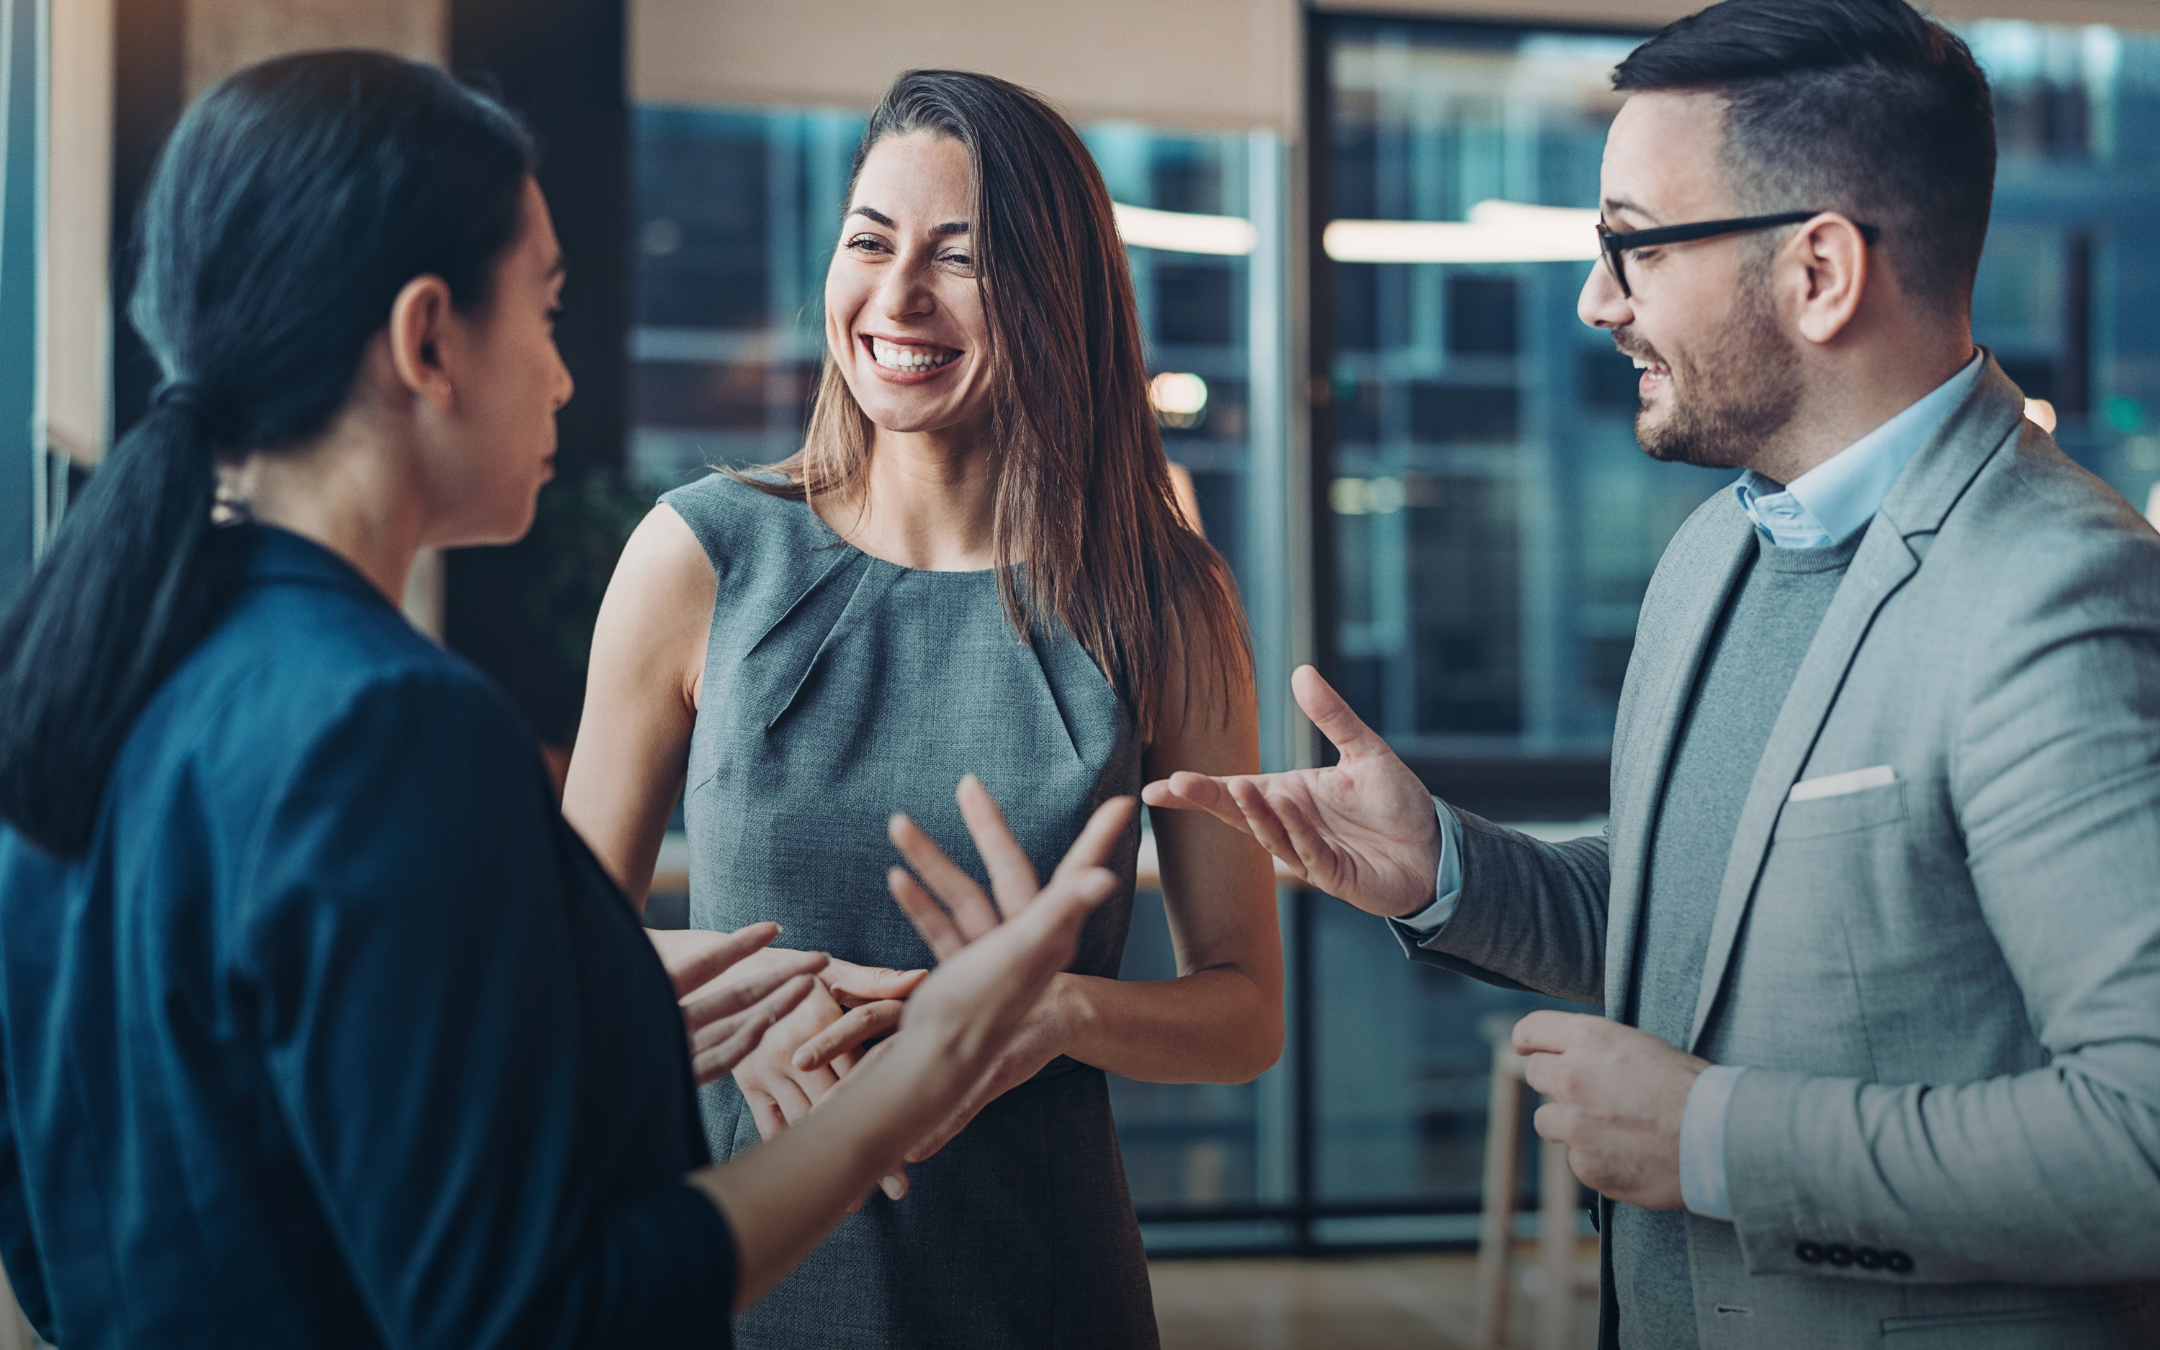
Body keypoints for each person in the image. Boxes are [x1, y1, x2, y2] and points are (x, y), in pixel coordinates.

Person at [0, 50, 1132, 1348]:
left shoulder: (95, 669)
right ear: (430, 338)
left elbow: (66, 1187)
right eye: (542, 312)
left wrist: (612, 1006)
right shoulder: (394, 725)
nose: (563, 376)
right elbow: (541, 1309)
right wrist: (929, 1067)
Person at [1146, 2, 2160, 1346]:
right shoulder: (1710, 555)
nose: (1595, 301)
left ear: (1819, 273)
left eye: (1633, 244)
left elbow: (2144, 1136)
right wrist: (1445, 866)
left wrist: (1711, 1138)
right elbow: (1702, 924)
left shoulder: (2054, 590)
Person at [565, 69, 1283, 1349]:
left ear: (1055, 294)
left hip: (1041, 1287)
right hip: (738, 1272)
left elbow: (1243, 1012)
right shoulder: (700, 556)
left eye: (959, 259)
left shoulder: (1163, 597)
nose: (897, 300)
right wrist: (745, 1015)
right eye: (869, 243)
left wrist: (1055, 1010)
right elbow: (546, 979)